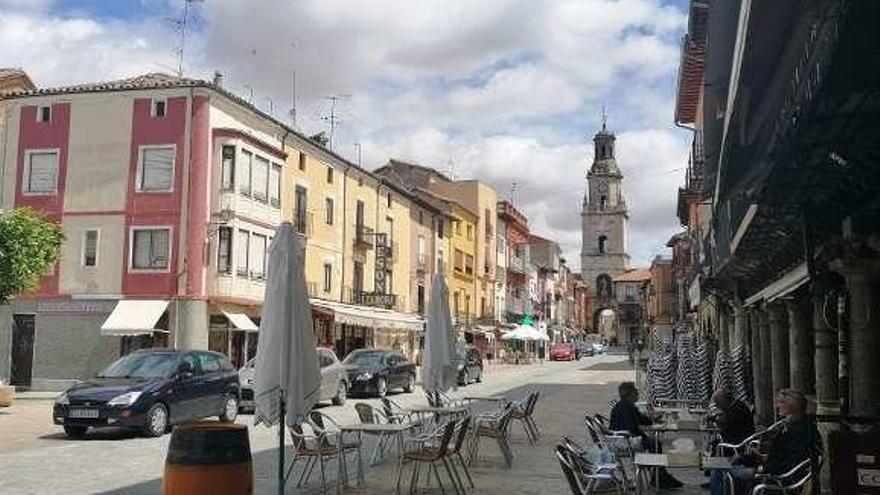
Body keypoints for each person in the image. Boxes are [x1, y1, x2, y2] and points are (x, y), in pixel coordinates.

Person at [710, 389, 821, 495]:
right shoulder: (794, 425)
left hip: (776, 477)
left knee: (720, 468)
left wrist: (760, 469)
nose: (777, 406)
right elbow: (781, 455)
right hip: (767, 467)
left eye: (781, 403)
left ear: (791, 407)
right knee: (716, 464)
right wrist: (748, 457)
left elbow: (790, 461)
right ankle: (707, 463)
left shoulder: (797, 431)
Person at [610, 381, 684, 490]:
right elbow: (632, 428)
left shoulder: (629, 406)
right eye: (636, 392)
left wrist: (653, 419)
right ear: (631, 394)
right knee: (654, 442)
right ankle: (658, 473)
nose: (638, 394)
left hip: (627, 438)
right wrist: (644, 436)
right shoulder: (625, 407)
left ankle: (658, 472)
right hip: (623, 441)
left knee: (653, 441)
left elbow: (641, 420)